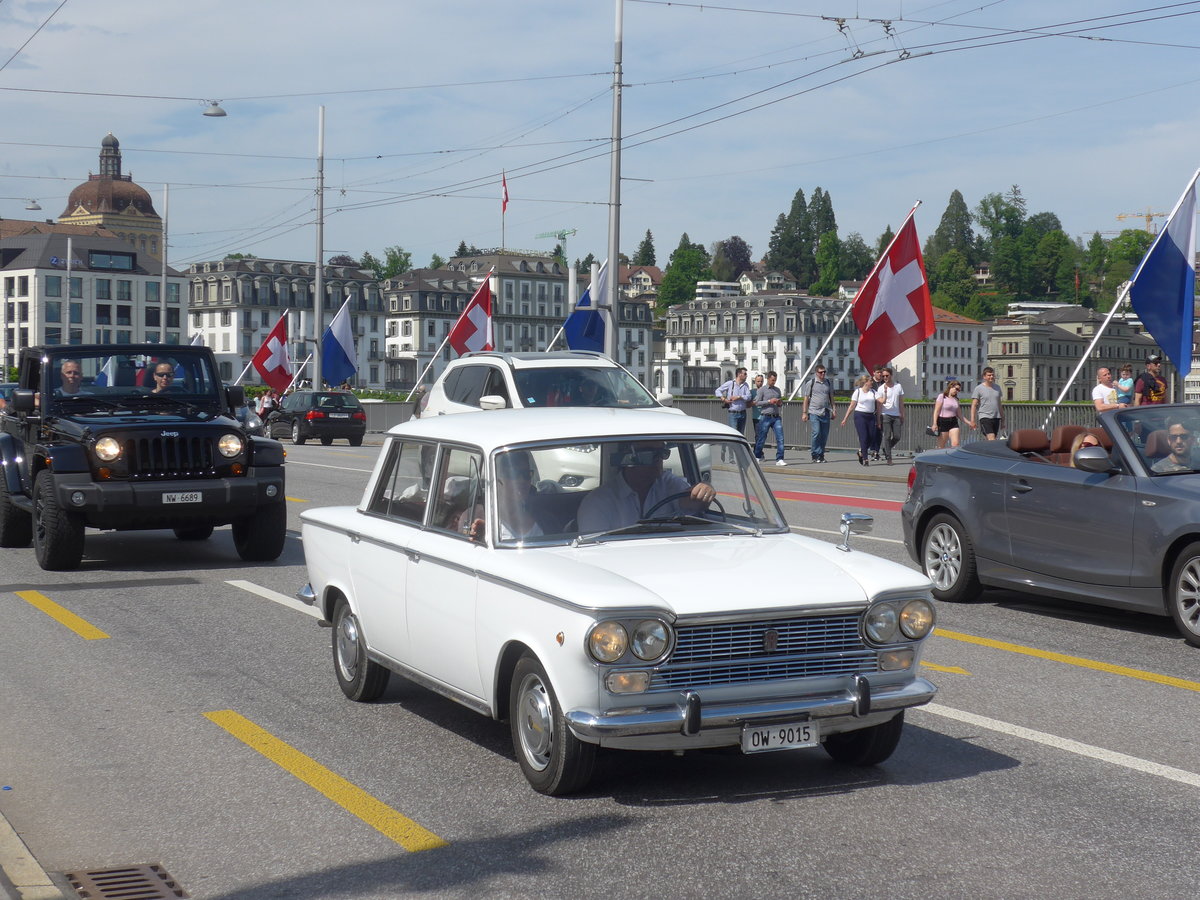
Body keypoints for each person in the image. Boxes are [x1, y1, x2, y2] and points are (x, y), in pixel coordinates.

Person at [577, 441, 717, 532]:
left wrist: (703, 491)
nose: (659, 459)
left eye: (662, 453)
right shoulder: (597, 502)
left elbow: (690, 502)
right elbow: (595, 552)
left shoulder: (669, 484)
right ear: (628, 457)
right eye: (649, 453)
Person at [840, 374, 880, 466]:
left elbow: (881, 401)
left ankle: (861, 451)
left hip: (871, 416)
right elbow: (852, 406)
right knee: (863, 437)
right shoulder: (858, 392)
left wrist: (885, 393)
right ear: (866, 382)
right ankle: (865, 458)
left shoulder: (873, 392)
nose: (872, 382)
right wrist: (845, 418)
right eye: (871, 381)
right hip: (860, 415)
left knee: (872, 436)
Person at [801, 364, 835, 463]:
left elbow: (831, 397)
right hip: (814, 411)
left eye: (824, 372)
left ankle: (821, 455)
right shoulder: (811, 383)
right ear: (816, 373)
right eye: (821, 372)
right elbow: (806, 399)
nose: (823, 374)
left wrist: (834, 410)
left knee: (824, 435)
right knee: (816, 433)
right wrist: (804, 413)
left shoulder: (828, 382)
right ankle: (814, 454)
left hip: (825, 411)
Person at [752, 371, 786, 465]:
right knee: (762, 438)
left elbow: (780, 403)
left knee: (780, 438)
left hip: (776, 416)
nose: (773, 382)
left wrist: (779, 403)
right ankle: (757, 456)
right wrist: (769, 401)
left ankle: (780, 459)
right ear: (768, 379)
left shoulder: (777, 390)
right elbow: (757, 402)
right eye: (772, 380)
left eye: (775, 380)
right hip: (765, 416)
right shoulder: (762, 390)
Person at [878, 367, 905, 464]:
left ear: (891, 375)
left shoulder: (898, 386)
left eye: (887, 375)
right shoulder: (881, 388)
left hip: (896, 414)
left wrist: (902, 415)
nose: (885, 377)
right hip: (886, 414)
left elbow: (901, 402)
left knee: (897, 436)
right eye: (883, 376)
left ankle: (886, 448)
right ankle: (889, 458)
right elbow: (879, 404)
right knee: (887, 436)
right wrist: (878, 418)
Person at [715, 368, 751, 436]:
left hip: (743, 413)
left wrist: (739, 397)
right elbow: (718, 391)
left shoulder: (745, 385)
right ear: (739, 374)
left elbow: (749, 397)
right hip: (733, 413)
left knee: (741, 435)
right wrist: (723, 399)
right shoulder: (730, 383)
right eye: (745, 374)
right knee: (734, 434)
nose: (746, 376)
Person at [970, 367, 1004, 440]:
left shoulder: (997, 388)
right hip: (985, 417)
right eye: (989, 375)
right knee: (992, 438)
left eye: (992, 375)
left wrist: (1003, 420)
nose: (991, 377)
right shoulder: (979, 388)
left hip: (996, 417)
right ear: (984, 377)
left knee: (991, 439)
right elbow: (974, 405)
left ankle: (985, 451)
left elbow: (999, 405)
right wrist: (972, 420)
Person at [932, 380, 968, 449]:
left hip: (953, 422)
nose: (957, 391)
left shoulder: (956, 400)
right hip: (943, 421)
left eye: (959, 390)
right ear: (951, 386)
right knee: (941, 446)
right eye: (956, 389)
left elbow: (960, 415)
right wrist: (934, 423)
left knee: (955, 444)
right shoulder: (942, 396)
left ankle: (953, 459)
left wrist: (969, 423)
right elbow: (936, 411)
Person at [868, 366, 886, 460]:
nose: (880, 374)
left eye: (881, 373)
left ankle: (876, 451)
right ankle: (872, 449)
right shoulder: (871, 383)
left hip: (882, 411)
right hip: (872, 411)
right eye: (878, 372)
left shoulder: (884, 383)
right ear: (874, 372)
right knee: (872, 432)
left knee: (879, 432)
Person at [748, 374, 764, 442]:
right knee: (758, 435)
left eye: (761, 381)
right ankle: (757, 451)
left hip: (765, 416)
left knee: (763, 435)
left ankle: (759, 450)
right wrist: (754, 403)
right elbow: (747, 405)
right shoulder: (752, 392)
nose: (760, 383)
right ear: (755, 382)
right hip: (756, 417)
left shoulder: (765, 391)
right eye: (758, 381)